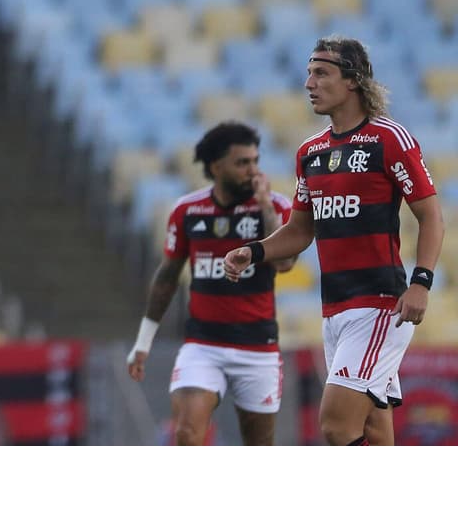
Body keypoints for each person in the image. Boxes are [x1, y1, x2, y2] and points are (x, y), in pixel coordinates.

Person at [224, 36, 444, 445]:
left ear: (353, 81)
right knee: (373, 433)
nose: (309, 82)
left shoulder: (389, 139)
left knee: (335, 426)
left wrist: (421, 281)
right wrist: (253, 251)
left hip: (380, 306)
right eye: (308, 73)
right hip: (334, 312)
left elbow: (430, 215)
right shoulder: (311, 152)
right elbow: (300, 229)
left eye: (321, 72)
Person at [126, 121, 295, 445]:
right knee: (187, 433)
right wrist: (143, 341)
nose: (253, 170)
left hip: (258, 347)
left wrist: (263, 207)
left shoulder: (276, 206)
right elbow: (167, 277)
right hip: (203, 346)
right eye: (242, 163)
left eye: (255, 161)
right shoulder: (188, 211)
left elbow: (285, 263)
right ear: (217, 167)